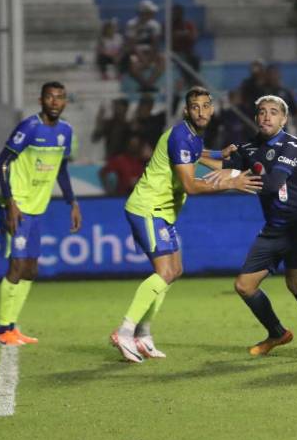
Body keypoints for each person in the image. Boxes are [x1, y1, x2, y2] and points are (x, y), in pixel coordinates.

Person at [111, 87, 262, 362]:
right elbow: (191, 186)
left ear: (212, 109)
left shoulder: (191, 136)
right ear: (186, 110)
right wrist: (231, 182)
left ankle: (143, 335)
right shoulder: (181, 136)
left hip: (162, 213)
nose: (201, 112)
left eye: (205, 106)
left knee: (174, 270)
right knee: (165, 271)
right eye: (195, 107)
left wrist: (220, 155)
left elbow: (196, 152)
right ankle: (124, 331)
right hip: (148, 209)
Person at [222, 95, 297, 357]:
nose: (267, 116)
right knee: (244, 285)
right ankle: (278, 333)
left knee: (296, 283)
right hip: (274, 228)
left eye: (273, 112)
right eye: (262, 112)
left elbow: (273, 184)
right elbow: (223, 164)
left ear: (284, 119)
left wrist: (233, 180)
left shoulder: (292, 145)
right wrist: (192, 155)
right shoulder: (249, 146)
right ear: (256, 117)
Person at [0, 82, 82, 346]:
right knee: (17, 265)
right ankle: (2, 330)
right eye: (50, 97)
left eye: (59, 97)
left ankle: (12, 327)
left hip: (37, 208)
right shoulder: (29, 127)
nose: (55, 102)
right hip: (17, 206)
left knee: (31, 270)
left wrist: (72, 201)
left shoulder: (66, 131)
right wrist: (11, 201)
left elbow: (61, 169)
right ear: (41, 100)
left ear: (65, 102)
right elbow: (2, 162)